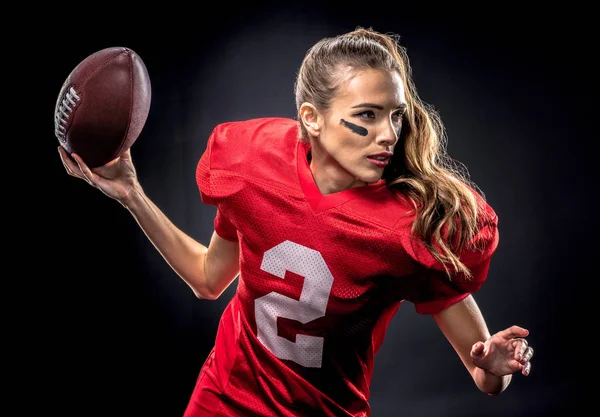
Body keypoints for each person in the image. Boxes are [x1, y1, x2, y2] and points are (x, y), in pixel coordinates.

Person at [58, 27, 535, 417]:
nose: (388, 134)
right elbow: (208, 279)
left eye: (395, 115)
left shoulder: (410, 227)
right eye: (366, 116)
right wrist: (131, 194)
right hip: (222, 398)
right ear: (312, 117)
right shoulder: (251, 164)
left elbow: (486, 376)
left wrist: (496, 365)